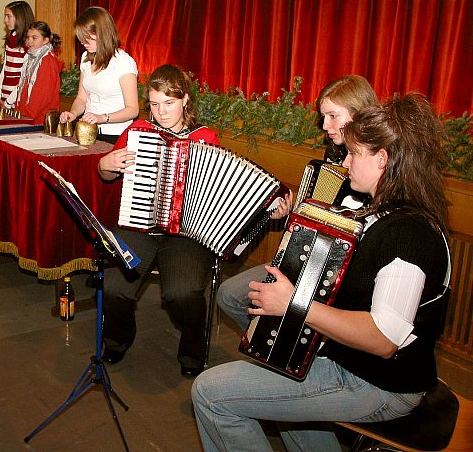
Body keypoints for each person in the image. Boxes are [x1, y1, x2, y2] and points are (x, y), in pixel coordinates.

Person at [191, 93, 450, 452]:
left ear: (382, 160)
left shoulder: (407, 234)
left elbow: (383, 339)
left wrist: (294, 304)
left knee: (209, 393)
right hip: (355, 364)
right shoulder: (387, 213)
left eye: (356, 154)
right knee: (277, 371)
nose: (346, 162)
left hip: (379, 385)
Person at [217, 75, 378, 332]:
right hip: (306, 261)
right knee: (229, 294)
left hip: (342, 277)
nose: (325, 125)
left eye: (333, 116)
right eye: (323, 116)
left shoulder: (376, 167)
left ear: (359, 114)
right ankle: (272, 340)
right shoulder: (333, 157)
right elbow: (316, 216)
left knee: (235, 297)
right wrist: (291, 213)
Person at [97, 64, 219, 377]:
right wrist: (106, 163)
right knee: (113, 285)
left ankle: (193, 348)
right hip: (139, 222)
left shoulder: (205, 138)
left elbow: (215, 193)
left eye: (169, 103)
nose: (161, 112)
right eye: (154, 104)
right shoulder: (137, 131)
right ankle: (118, 338)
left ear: (185, 101)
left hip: (187, 233)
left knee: (183, 292)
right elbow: (107, 174)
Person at [59, 6, 139, 144]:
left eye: (87, 38)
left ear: (102, 33)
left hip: (115, 135)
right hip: (88, 130)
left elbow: (133, 110)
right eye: (81, 38)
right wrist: (73, 113)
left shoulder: (123, 62)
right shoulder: (86, 58)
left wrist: (103, 117)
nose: (83, 43)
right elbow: (81, 98)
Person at [5, 21, 64, 125]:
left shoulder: (48, 61)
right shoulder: (30, 58)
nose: (29, 41)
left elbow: (41, 97)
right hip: (25, 118)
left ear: (45, 40)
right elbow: (22, 89)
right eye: (28, 37)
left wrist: (25, 118)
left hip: (39, 121)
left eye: (34, 38)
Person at [0, 0, 35, 108]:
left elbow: (24, 79)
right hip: (4, 95)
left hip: (16, 100)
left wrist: (8, 102)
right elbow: (5, 69)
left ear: (20, 18)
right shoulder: (10, 40)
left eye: (8, 16)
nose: (5, 20)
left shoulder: (29, 45)